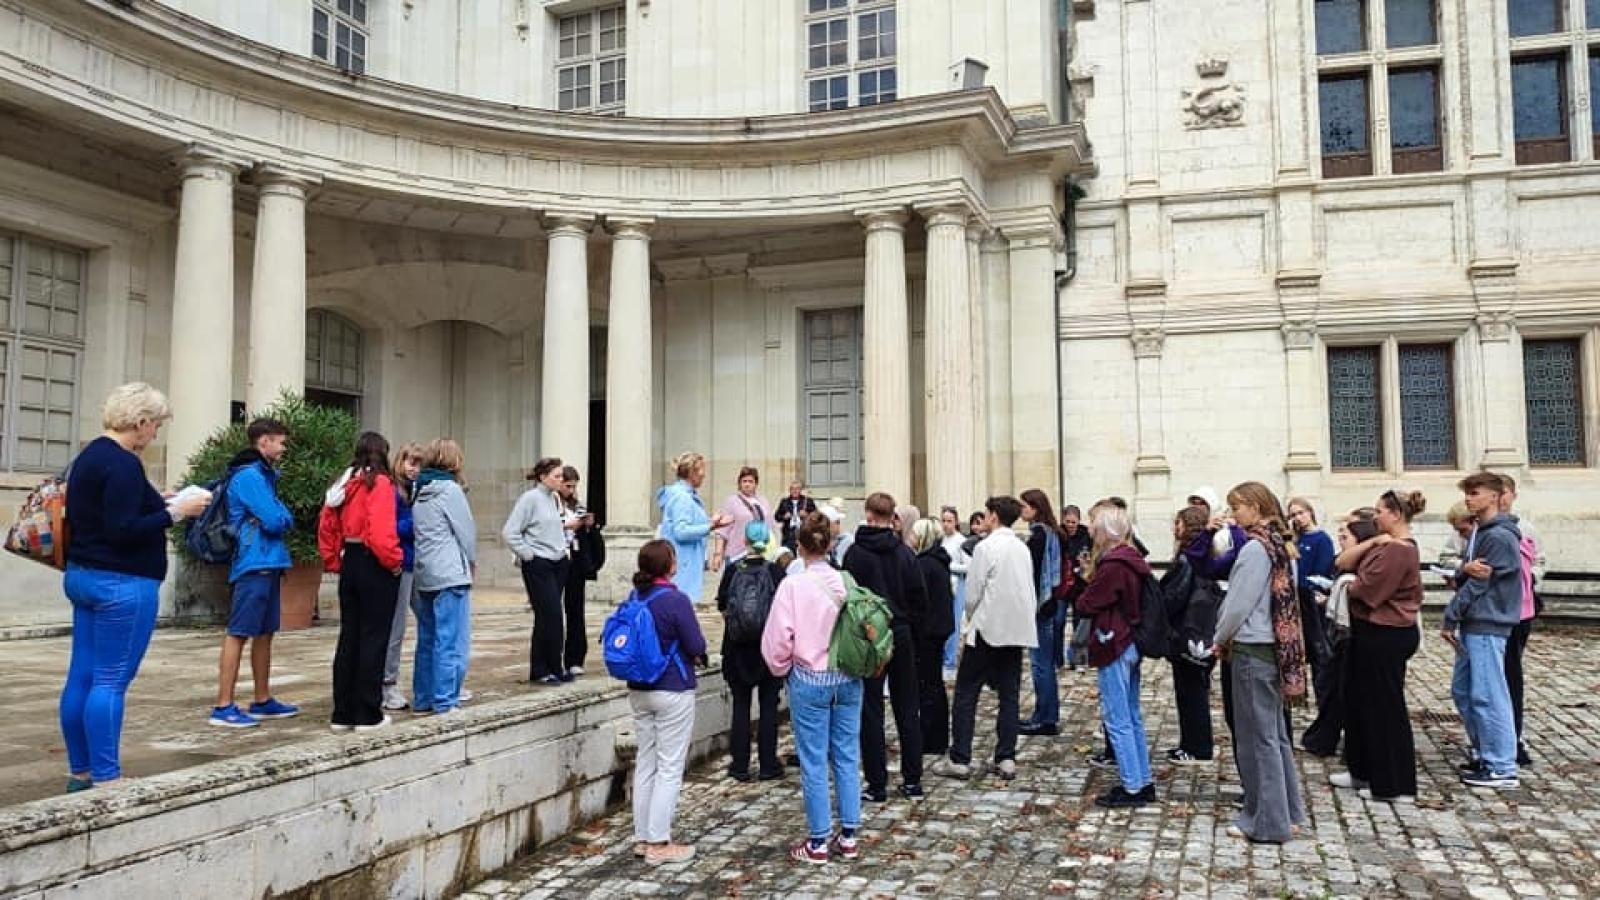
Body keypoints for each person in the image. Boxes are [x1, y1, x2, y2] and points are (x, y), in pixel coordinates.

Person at [60, 383, 210, 791]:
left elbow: (105, 511)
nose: (155, 434)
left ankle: (81, 771)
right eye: (156, 425)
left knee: (82, 677)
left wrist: (158, 500)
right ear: (141, 422)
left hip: (83, 574)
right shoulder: (124, 464)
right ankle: (108, 778)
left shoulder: (91, 455)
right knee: (110, 681)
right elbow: (122, 530)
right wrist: (176, 512)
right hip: (121, 582)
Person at [762, 512, 862, 864]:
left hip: (809, 678)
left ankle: (818, 840)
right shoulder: (846, 582)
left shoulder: (793, 585)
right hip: (848, 677)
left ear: (799, 547)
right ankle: (849, 835)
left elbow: (776, 641)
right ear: (831, 544)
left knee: (814, 760)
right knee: (847, 755)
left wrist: (781, 668)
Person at [1212, 481, 1306, 843]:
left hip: (1254, 649)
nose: (1234, 514)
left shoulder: (1255, 549)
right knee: (1276, 736)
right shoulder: (1281, 545)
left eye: (1237, 507)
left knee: (1257, 739)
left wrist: (1220, 638)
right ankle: (1288, 812)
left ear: (1254, 506)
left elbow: (1238, 603)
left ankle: (1266, 820)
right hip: (1275, 649)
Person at [1328, 490, 1424, 803]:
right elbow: (1342, 562)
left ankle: (1394, 784)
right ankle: (1362, 769)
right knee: (1359, 703)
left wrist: (1346, 585)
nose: (1376, 516)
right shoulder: (1384, 545)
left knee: (1385, 708)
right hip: (1368, 631)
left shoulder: (1400, 551)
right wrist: (1370, 543)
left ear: (1396, 514)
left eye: (1381, 511)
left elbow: (1367, 590)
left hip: (1386, 633)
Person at [936, 496, 1035, 781]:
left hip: (987, 627)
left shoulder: (986, 547)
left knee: (967, 693)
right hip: (1014, 630)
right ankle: (1006, 756)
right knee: (1009, 694)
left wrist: (968, 621)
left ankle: (961, 757)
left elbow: (973, 593)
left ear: (993, 516)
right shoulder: (1021, 548)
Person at [208, 417, 299, 728]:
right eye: (281, 441)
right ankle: (223, 705)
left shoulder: (263, 475)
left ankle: (262, 699)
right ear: (265, 442)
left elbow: (280, 518)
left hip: (267, 562)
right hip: (254, 562)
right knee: (239, 632)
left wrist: (279, 518)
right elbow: (276, 520)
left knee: (264, 633)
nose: (284, 447)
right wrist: (278, 519)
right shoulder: (250, 477)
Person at [624, 540, 708, 866]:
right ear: (668, 565)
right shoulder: (675, 600)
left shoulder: (635, 596)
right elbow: (696, 643)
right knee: (670, 766)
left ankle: (642, 837)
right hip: (672, 686)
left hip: (639, 688)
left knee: (646, 762)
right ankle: (659, 842)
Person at [843, 491, 928, 801]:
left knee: (871, 709)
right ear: (891, 517)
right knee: (907, 707)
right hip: (901, 632)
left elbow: (848, 599)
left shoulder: (854, 554)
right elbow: (920, 598)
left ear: (868, 516)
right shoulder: (904, 554)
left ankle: (877, 783)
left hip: (868, 634)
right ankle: (912, 779)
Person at [318, 432, 405, 732]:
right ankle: (368, 712)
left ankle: (342, 711)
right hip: (374, 561)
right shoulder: (379, 483)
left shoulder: (343, 483)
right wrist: (394, 563)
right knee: (374, 637)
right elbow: (381, 531)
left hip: (350, 558)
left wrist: (333, 560)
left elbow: (327, 524)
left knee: (349, 637)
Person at [1443, 471, 1524, 790]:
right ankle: (1485, 752)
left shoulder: (1499, 536)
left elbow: (1480, 581)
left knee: (1489, 693)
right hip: (1474, 621)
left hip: (1488, 622)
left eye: (1475, 492)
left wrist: (1450, 616)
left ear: (1494, 496)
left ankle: (1502, 765)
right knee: (1464, 691)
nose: (1469, 498)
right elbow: (1470, 573)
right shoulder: (1480, 531)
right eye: (1468, 493)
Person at [1076, 503, 1156, 807]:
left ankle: (1132, 784)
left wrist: (1087, 583)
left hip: (1114, 641)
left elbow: (1087, 603)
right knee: (1131, 715)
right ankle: (1142, 778)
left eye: (1094, 525)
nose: (1091, 530)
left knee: (1118, 717)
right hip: (1130, 640)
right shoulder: (1131, 558)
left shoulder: (1113, 565)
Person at [1300, 508, 1378, 757]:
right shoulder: (1344, 562)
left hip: (1352, 637)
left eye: (1345, 537)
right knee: (1332, 685)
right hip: (1338, 636)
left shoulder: (1361, 567)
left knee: (1343, 690)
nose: (1341, 541)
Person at [715, 521, 787, 782]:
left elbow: (722, 604)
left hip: (737, 647)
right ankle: (769, 765)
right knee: (769, 707)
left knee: (741, 706)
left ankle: (740, 765)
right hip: (768, 648)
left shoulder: (733, 570)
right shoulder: (775, 571)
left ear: (745, 541)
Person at [410, 439, 476, 715]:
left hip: (424, 570)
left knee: (427, 638)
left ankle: (423, 697)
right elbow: (466, 531)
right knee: (450, 639)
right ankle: (445, 699)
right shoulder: (450, 490)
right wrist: (471, 562)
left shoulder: (418, 488)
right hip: (450, 572)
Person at [504, 457, 573, 685]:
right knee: (551, 616)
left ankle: (547, 667)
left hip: (557, 561)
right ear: (543, 477)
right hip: (539, 563)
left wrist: (563, 551)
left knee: (548, 617)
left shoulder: (554, 498)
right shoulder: (530, 499)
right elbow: (510, 531)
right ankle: (548, 668)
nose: (561, 480)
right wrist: (528, 554)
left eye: (562, 476)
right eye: (557, 476)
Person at [1162, 505, 1218, 764]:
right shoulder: (1198, 554)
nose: (1175, 528)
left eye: (1178, 523)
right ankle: (1191, 743)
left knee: (1191, 691)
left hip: (1188, 630)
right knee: (1192, 689)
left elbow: (1175, 596)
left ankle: (1197, 746)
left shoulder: (1187, 558)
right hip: (1196, 630)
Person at [1496, 473, 1543, 767]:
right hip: (1488, 611)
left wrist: (1528, 579)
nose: (1501, 498)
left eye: (1504, 493)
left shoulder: (1525, 528)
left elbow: (1540, 562)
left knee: (1511, 673)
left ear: (1513, 495)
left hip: (1518, 611)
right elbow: (1453, 555)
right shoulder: (1475, 526)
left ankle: (1514, 736)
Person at [382, 443, 426, 712]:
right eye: (411, 462)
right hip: (400, 563)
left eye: (419, 464)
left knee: (427, 619)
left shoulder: (414, 491)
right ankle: (387, 684)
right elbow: (390, 527)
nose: (414, 469)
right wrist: (416, 520)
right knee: (395, 628)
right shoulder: (392, 490)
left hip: (416, 563)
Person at [1018, 489, 1066, 737]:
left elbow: (1035, 574)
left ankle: (1045, 716)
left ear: (1035, 508)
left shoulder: (1039, 535)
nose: (1021, 510)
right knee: (1043, 662)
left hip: (1041, 604)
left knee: (1041, 664)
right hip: (1049, 602)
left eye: (1024, 506)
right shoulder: (1050, 532)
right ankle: (1046, 714)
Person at [654, 452, 732, 604]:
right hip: (683, 567)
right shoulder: (682, 498)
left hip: (685, 564)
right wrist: (711, 526)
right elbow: (681, 531)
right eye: (702, 469)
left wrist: (711, 523)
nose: (704, 475)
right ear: (692, 473)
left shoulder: (685, 496)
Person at [1287, 498, 1335, 715]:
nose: (1297, 518)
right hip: (1295, 604)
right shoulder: (1295, 540)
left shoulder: (1321, 539)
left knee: (1319, 658)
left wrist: (1302, 583)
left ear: (1309, 512)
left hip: (1312, 604)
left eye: (1300, 513)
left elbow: (1321, 574)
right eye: (1293, 515)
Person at [911, 518, 954, 755]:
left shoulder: (925, 565)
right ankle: (936, 736)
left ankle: (931, 737)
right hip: (938, 628)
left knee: (928, 685)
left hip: (928, 631)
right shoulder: (937, 561)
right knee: (933, 683)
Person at [559, 466, 603, 677]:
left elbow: (586, 535)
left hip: (575, 563)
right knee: (554, 613)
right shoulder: (550, 504)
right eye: (568, 486)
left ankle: (575, 657)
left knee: (576, 611)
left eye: (574, 486)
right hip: (556, 559)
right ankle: (554, 657)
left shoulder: (577, 505)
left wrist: (588, 525)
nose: (571, 490)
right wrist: (569, 526)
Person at [711, 466, 776, 572]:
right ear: (739, 484)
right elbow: (722, 531)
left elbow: (771, 526)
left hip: (762, 552)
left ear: (756, 484)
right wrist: (718, 554)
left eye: (750, 481)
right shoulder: (732, 501)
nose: (747, 484)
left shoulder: (763, 501)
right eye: (744, 481)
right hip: (738, 552)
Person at [1059, 505, 1091, 669]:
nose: (1071, 525)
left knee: (1080, 623)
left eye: (1074, 522)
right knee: (1059, 622)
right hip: (1063, 584)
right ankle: (1058, 658)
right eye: (1068, 521)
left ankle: (1078, 659)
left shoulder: (1085, 534)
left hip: (1080, 584)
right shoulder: (1059, 534)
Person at [939, 506, 969, 679]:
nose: (946, 524)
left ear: (956, 522)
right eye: (943, 520)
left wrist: (949, 567)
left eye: (949, 521)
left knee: (954, 624)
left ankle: (950, 662)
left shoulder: (961, 541)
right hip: (944, 586)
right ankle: (944, 659)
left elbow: (968, 566)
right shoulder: (942, 540)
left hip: (957, 586)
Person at [774, 480, 816, 550]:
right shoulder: (784, 502)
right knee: (788, 554)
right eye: (792, 489)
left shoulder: (808, 501)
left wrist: (807, 515)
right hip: (789, 533)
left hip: (803, 532)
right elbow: (776, 517)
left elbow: (816, 516)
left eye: (797, 489)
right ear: (789, 490)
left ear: (800, 490)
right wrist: (784, 517)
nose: (795, 491)